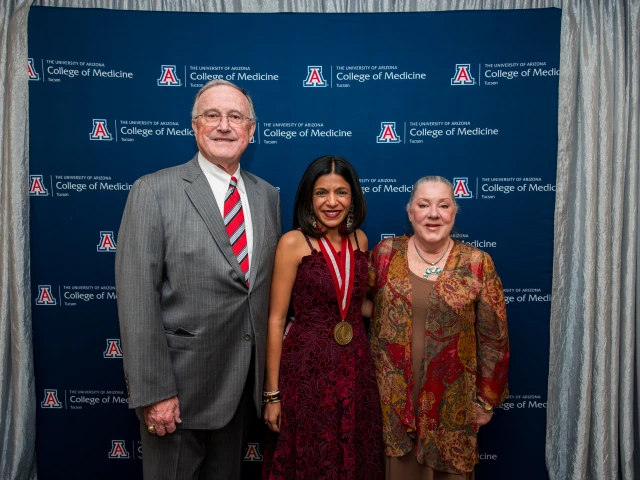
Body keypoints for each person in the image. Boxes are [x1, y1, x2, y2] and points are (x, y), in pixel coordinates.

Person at [115, 79, 281, 479]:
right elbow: (137, 299)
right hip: (178, 395)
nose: (224, 126)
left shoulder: (266, 196)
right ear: (194, 125)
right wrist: (155, 393)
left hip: (241, 394)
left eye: (236, 117)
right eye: (212, 115)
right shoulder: (154, 190)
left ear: (251, 130)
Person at [367, 176, 509, 479]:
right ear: (410, 211)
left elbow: (494, 338)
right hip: (392, 405)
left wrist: (486, 400)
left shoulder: (477, 263)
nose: (433, 214)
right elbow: (357, 304)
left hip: (452, 407)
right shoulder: (384, 254)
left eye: (443, 205)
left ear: (454, 212)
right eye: (424, 205)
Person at [261, 155, 384, 479]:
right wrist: (272, 394)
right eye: (321, 193)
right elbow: (276, 320)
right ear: (308, 198)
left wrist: (408, 305)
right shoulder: (293, 243)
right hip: (306, 371)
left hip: (355, 367)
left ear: (353, 197)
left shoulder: (359, 240)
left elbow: (352, 304)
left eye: (341, 192)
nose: (332, 202)